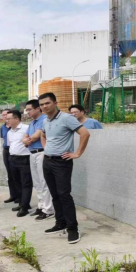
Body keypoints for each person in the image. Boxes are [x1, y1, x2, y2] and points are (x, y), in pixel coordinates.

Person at [39, 93, 90, 244]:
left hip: (62, 162)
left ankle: (72, 228)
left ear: (55, 102)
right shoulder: (45, 120)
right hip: (47, 161)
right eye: (41, 104)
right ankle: (60, 222)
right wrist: (46, 148)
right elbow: (43, 135)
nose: (44, 106)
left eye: (47, 103)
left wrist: (78, 153)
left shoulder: (67, 118)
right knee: (54, 194)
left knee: (64, 195)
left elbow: (85, 134)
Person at [22, 99, 55, 221]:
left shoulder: (43, 120)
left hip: (41, 152)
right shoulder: (32, 123)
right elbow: (25, 137)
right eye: (27, 110)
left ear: (37, 109)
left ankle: (48, 209)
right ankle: (41, 206)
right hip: (32, 153)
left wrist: (27, 140)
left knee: (44, 182)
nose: (28, 112)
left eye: (30, 109)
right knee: (37, 182)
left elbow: (35, 137)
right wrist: (26, 140)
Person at [6, 110, 33, 217]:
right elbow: (11, 145)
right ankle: (22, 203)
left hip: (24, 159)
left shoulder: (26, 129)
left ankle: (25, 207)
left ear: (16, 119)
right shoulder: (9, 132)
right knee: (16, 182)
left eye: (8, 119)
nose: (6, 120)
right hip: (12, 159)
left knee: (26, 183)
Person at [0, 109, 19, 204]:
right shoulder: (2, 127)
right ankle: (13, 195)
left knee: (17, 175)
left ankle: (20, 196)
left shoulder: (16, 127)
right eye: (3, 115)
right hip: (7, 150)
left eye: (7, 115)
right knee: (10, 174)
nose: (5, 117)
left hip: (17, 151)